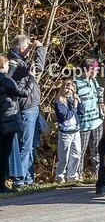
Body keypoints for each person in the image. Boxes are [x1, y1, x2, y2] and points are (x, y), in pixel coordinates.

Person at [7, 34, 46, 188]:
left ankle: (28, 178)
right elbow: (38, 68)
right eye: (28, 46)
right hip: (26, 108)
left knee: (33, 144)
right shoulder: (15, 63)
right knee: (26, 145)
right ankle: (20, 179)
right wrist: (40, 48)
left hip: (33, 107)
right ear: (22, 48)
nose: (30, 49)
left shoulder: (20, 60)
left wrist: (32, 47)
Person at [74, 60, 105, 177]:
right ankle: (78, 174)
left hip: (97, 120)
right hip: (83, 123)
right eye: (95, 70)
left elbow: (99, 95)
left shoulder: (93, 81)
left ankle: (97, 173)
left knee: (97, 149)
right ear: (88, 69)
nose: (97, 72)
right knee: (80, 150)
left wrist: (102, 103)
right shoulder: (75, 83)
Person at [0, 55, 26, 193]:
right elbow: (23, 92)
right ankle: (1, 185)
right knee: (4, 154)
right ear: (3, 65)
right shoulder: (5, 80)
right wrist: (32, 79)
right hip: (7, 121)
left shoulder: (5, 80)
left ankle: (2, 184)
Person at [53, 80, 85, 183]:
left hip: (75, 131)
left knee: (77, 154)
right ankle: (60, 176)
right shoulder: (58, 101)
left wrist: (79, 102)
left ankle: (72, 176)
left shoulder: (72, 100)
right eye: (67, 88)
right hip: (65, 132)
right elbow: (65, 116)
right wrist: (74, 107)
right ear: (63, 88)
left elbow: (82, 112)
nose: (69, 91)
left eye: (71, 89)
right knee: (64, 156)